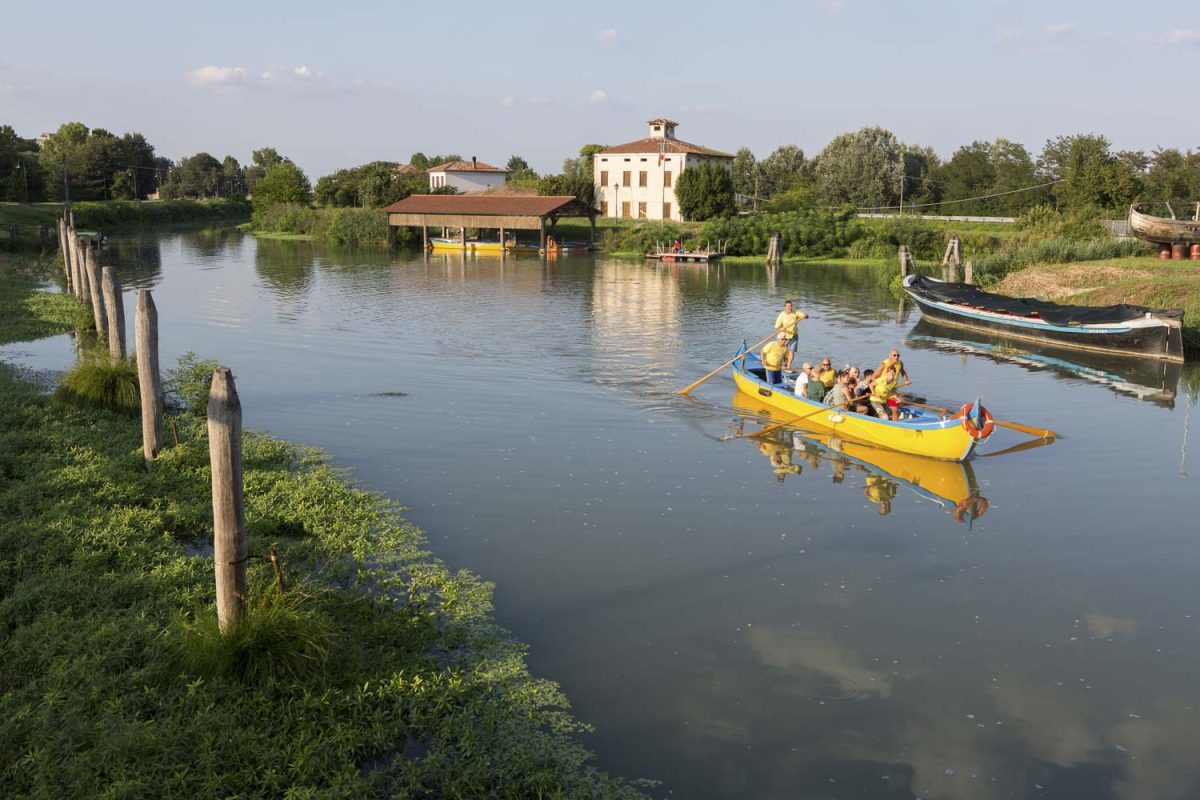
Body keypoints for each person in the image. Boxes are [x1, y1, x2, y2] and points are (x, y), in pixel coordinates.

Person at [774, 300, 808, 370]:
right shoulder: (781, 315)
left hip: (794, 336)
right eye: (788, 306)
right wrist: (781, 329)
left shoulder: (795, 312)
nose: (790, 308)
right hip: (785, 337)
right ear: (785, 307)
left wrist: (805, 315)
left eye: (791, 306)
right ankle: (783, 364)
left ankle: (788, 366)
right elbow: (777, 327)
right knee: (783, 352)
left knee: (791, 352)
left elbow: (804, 316)